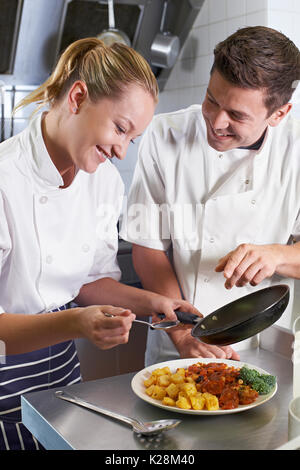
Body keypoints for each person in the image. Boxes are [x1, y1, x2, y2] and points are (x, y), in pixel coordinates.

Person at [0, 37, 200, 450]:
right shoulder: (5, 178)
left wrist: (157, 303)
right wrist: (77, 322)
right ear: (77, 97)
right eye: (120, 129)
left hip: (62, 369)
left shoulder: (103, 180)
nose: (123, 152)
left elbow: (89, 279)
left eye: (133, 138)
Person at [120, 26, 300, 367]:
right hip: (176, 343)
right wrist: (183, 334)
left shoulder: (297, 152)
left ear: (279, 114)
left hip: (260, 349)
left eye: (237, 115)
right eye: (211, 99)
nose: (216, 122)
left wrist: (277, 255)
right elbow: (147, 248)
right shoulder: (165, 135)